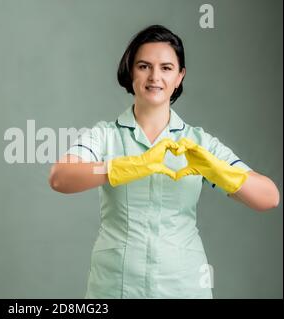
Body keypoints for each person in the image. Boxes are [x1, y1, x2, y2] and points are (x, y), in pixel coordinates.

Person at [48, 25, 280, 299]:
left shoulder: (199, 143)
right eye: (144, 66)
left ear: (180, 76)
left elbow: (269, 197)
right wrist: (127, 166)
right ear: (130, 71)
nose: (155, 76)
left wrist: (217, 170)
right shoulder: (105, 135)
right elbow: (61, 177)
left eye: (167, 68)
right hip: (115, 288)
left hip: (183, 288)